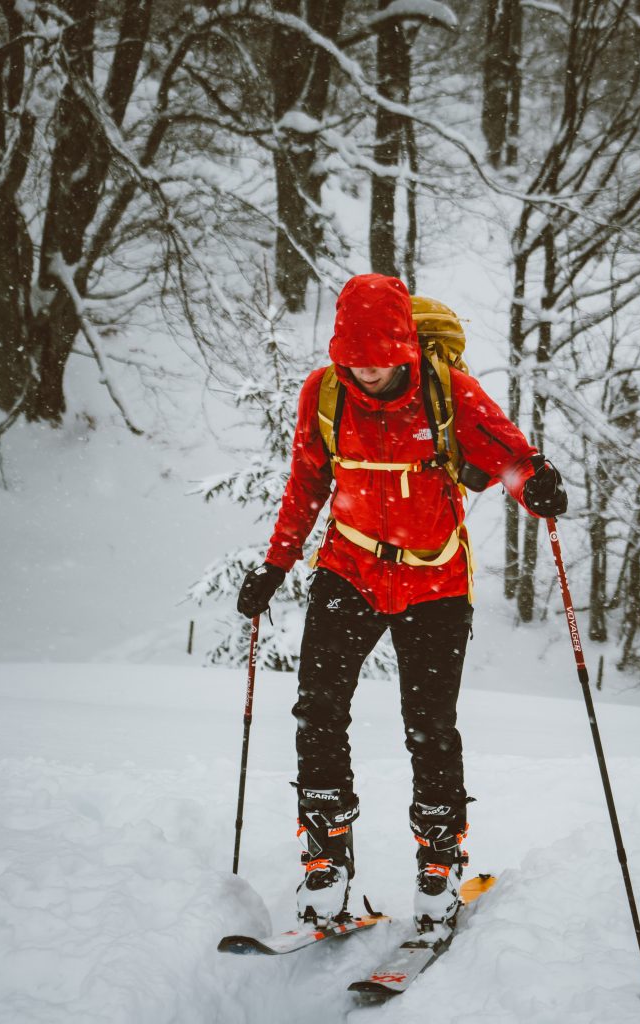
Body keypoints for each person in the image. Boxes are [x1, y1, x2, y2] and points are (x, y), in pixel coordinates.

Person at [237, 273, 567, 930]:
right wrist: (274, 566)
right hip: (347, 571)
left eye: (380, 355)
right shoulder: (324, 393)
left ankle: (438, 863)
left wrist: (535, 485)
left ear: (403, 348)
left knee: (430, 726)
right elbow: (305, 484)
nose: (367, 368)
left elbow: (507, 456)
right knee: (318, 711)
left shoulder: (448, 391)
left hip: (435, 583)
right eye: (354, 355)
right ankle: (325, 857)